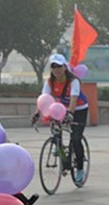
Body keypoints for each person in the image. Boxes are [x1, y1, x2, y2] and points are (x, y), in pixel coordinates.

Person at [37, 53, 89, 184]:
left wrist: (70, 114)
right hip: (61, 109)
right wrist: (37, 113)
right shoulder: (50, 81)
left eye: (59, 66)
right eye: (53, 67)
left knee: (76, 138)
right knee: (56, 133)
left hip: (79, 109)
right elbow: (44, 99)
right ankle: (63, 157)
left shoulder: (73, 81)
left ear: (65, 67)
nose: (56, 70)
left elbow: (73, 99)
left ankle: (80, 168)